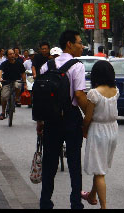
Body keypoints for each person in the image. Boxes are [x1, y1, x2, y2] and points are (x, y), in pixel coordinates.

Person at [38, 30, 89, 209]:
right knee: (74, 162)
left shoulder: (46, 66)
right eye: (79, 42)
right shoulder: (77, 66)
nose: (82, 46)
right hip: (71, 117)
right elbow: (79, 95)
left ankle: (45, 201)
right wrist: (89, 116)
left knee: (49, 162)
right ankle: (75, 203)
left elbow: (41, 98)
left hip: (50, 119)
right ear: (69, 44)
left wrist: (40, 122)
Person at [81, 60, 119, 208]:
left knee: (99, 171)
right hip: (113, 130)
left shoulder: (93, 93)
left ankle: (104, 206)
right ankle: (92, 195)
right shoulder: (115, 91)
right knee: (101, 166)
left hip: (98, 130)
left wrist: (84, 130)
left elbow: (88, 117)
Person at [0, 49, 27, 120]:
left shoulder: (19, 63)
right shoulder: (4, 64)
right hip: (6, 82)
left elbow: (23, 73)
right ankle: (3, 112)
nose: (12, 55)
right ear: (7, 56)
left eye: (13, 53)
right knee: (4, 97)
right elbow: (0, 71)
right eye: (10, 54)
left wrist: (25, 83)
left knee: (18, 85)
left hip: (16, 81)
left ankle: (16, 98)